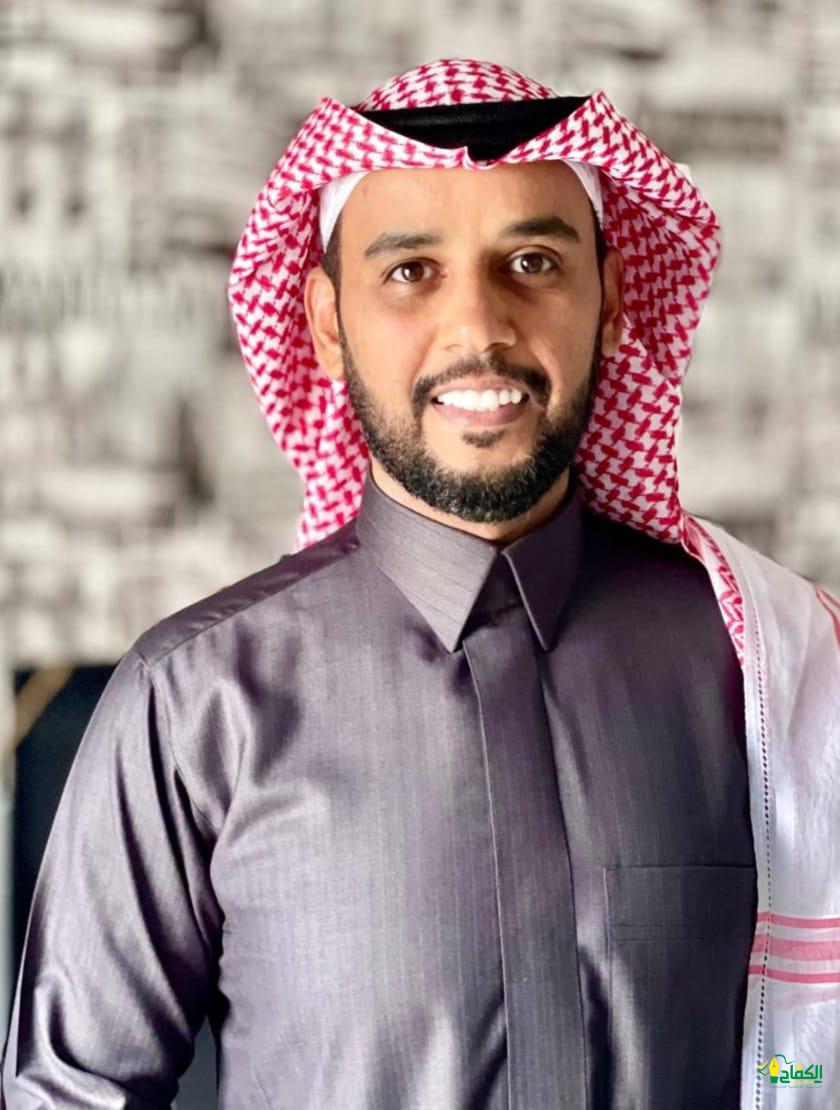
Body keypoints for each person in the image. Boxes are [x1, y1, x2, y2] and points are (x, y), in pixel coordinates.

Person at [2, 57, 839, 1110]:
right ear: (325, 321)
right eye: (409, 271)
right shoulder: (193, 703)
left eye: (532, 261)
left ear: (611, 301)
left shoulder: (772, 674)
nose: (478, 326)